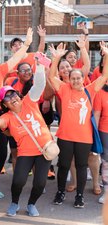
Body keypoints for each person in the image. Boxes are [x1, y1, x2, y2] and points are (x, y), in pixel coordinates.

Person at [0, 63, 53, 217]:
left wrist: (41, 66)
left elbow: (40, 84)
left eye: (13, 94)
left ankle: (31, 204)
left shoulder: (30, 101)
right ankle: (15, 203)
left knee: (40, 183)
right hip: (25, 153)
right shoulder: (7, 117)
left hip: (44, 150)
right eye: (7, 97)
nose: (12, 98)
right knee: (18, 181)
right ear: (4, 104)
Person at [49, 41, 108, 208]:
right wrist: (56, 59)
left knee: (82, 166)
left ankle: (79, 196)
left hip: (84, 138)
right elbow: (52, 76)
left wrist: (107, 54)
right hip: (65, 136)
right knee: (64, 165)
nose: (75, 80)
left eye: (78, 78)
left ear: (83, 79)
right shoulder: (64, 88)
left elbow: (104, 76)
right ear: (69, 79)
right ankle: (60, 192)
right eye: (73, 78)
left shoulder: (90, 89)